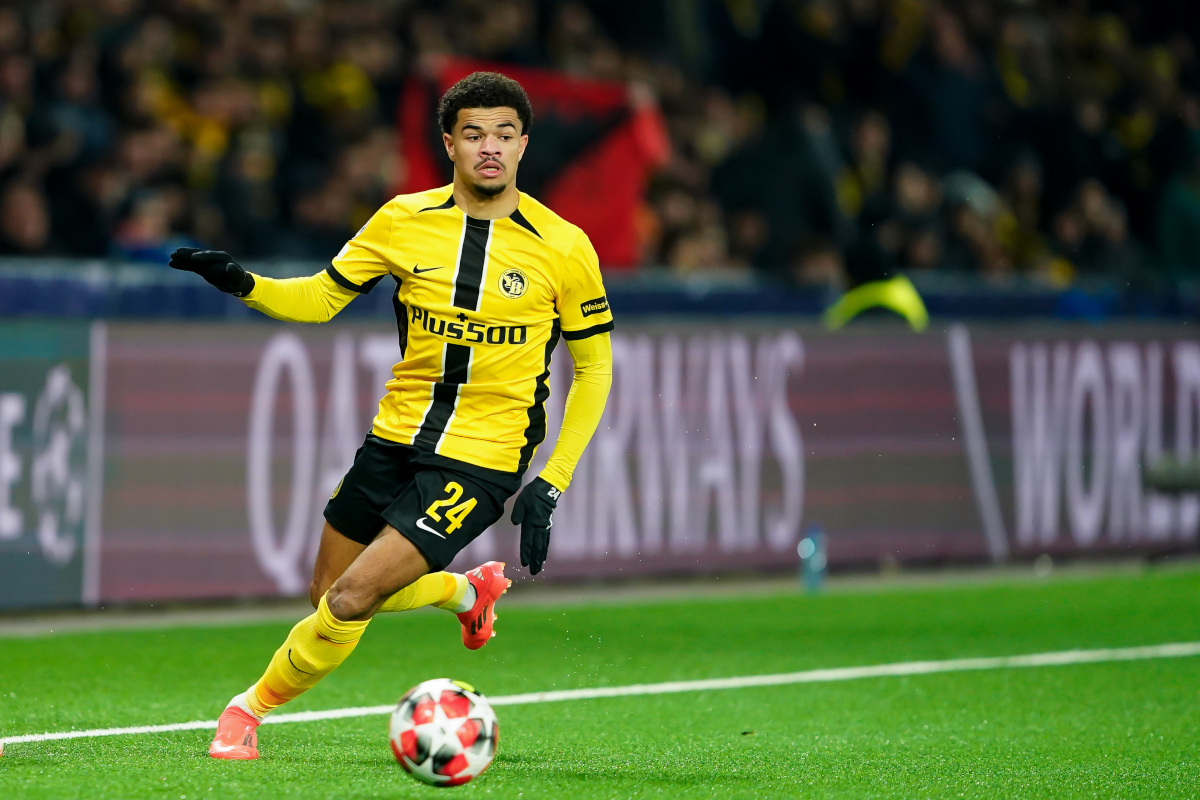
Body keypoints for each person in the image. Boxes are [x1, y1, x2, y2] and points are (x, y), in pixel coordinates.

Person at [168, 71, 615, 760]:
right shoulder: (402, 220)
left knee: (349, 600)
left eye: (503, 135)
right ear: (449, 143)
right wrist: (242, 283)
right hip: (394, 437)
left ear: (524, 145)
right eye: (474, 135)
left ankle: (244, 712)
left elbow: (594, 368)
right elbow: (319, 299)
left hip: (484, 456)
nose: (489, 148)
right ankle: (463, 594)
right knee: (326, 593)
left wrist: (551, 481)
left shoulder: (563, 246)